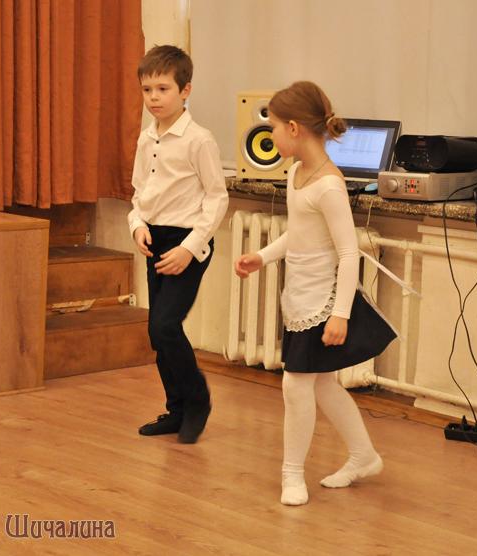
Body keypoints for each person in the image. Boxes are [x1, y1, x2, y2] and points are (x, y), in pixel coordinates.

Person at [234, 81, 384, 505]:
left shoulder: (329, 186)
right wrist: (262, 256)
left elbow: (349, 253)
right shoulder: (297, 174)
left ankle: (292, 474)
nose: (271, 135)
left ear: (294, 128)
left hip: (322, 303)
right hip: (300, 298)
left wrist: (340, 314)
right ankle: (364, 456)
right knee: (323, 386)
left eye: (274, 127)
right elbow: (298, 235)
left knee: (296, 385)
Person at [128, 45, 228, 444]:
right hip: (155, 240)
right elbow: (140, 194)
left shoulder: (199, 140)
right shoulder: (145, 139)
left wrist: (190, 247)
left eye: (163, 89)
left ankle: (198, 400)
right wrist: (137, 225)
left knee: (165, 325)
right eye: (147, 90)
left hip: (188, 243)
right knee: (158, 334)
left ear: (185, 91)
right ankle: (177, 410)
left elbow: (217, 198)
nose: (154, 97)